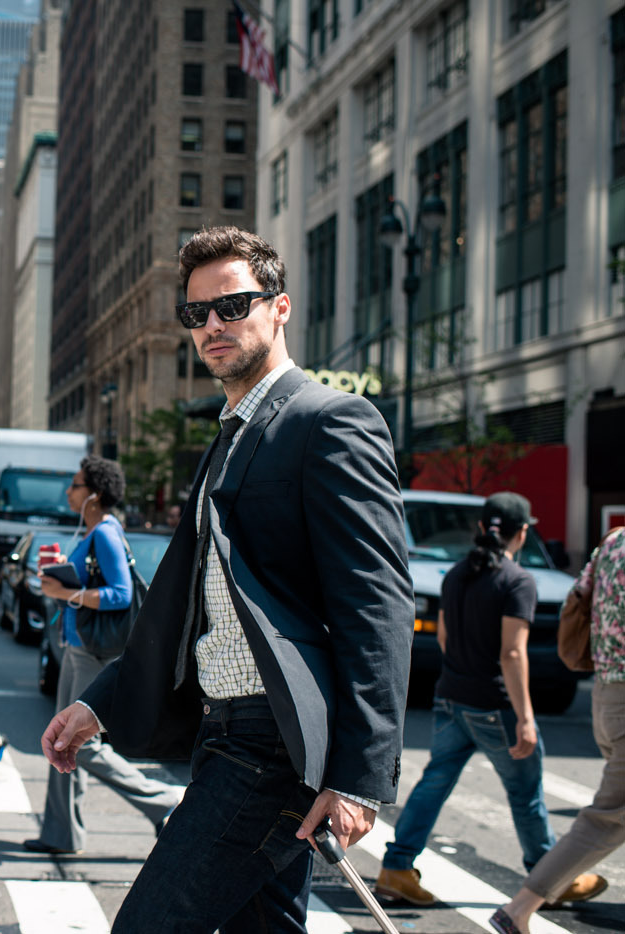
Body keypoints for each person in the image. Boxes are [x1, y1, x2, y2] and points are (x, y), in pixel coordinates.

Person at [40, 226, 414, 933]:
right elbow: (187, 609)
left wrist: (359, 778)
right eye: (196, 314)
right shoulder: (229, 436)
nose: (212, 325)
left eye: (232, 305)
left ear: (280, 307)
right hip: (221, 732)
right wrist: (100, 704)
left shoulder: (330, 421)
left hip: (271, 746)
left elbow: (376, 605)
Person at [376, 493, 599, 905]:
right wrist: (526, 717)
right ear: (524, 533)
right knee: (526, 794)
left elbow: (443, 639)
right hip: (494, 707)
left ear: (481, 529)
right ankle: (549, 877)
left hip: (450, 699)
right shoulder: (517, 581)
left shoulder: (455, 574)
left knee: (433, 785)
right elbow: (512, 653)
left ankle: (396, 868)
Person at [29, 454, 182, 854]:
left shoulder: (106, 534)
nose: (68, 491)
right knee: (59, 741)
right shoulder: (94, 532)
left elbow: (120, 594)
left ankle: (165, 802)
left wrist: (64, 592)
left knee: (81, 744)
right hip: (78, 648)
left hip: (92, 654)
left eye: (75, 485)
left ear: (94, 494)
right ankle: (60, 834)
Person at [489, 527, 623, 933]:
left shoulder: (614, 542)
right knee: (607, 818)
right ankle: (518, 909)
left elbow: (581, 597)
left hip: (606, 693)